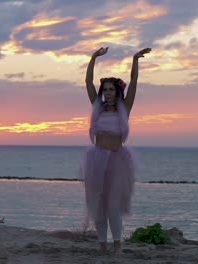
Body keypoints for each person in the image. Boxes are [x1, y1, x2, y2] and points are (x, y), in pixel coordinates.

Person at [80, 46, 151, 255]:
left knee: (113, 206)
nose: (108, 93)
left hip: (118, 161)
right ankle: (102, 244)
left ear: (117, 91)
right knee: (98, 205)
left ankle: (117, 245)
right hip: (96, 159)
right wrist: (93, 57)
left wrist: (135, 60)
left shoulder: (124, 108)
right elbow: (87, 83)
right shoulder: (97, 107)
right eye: (106, 89)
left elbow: (135, 82)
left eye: (112, 89)